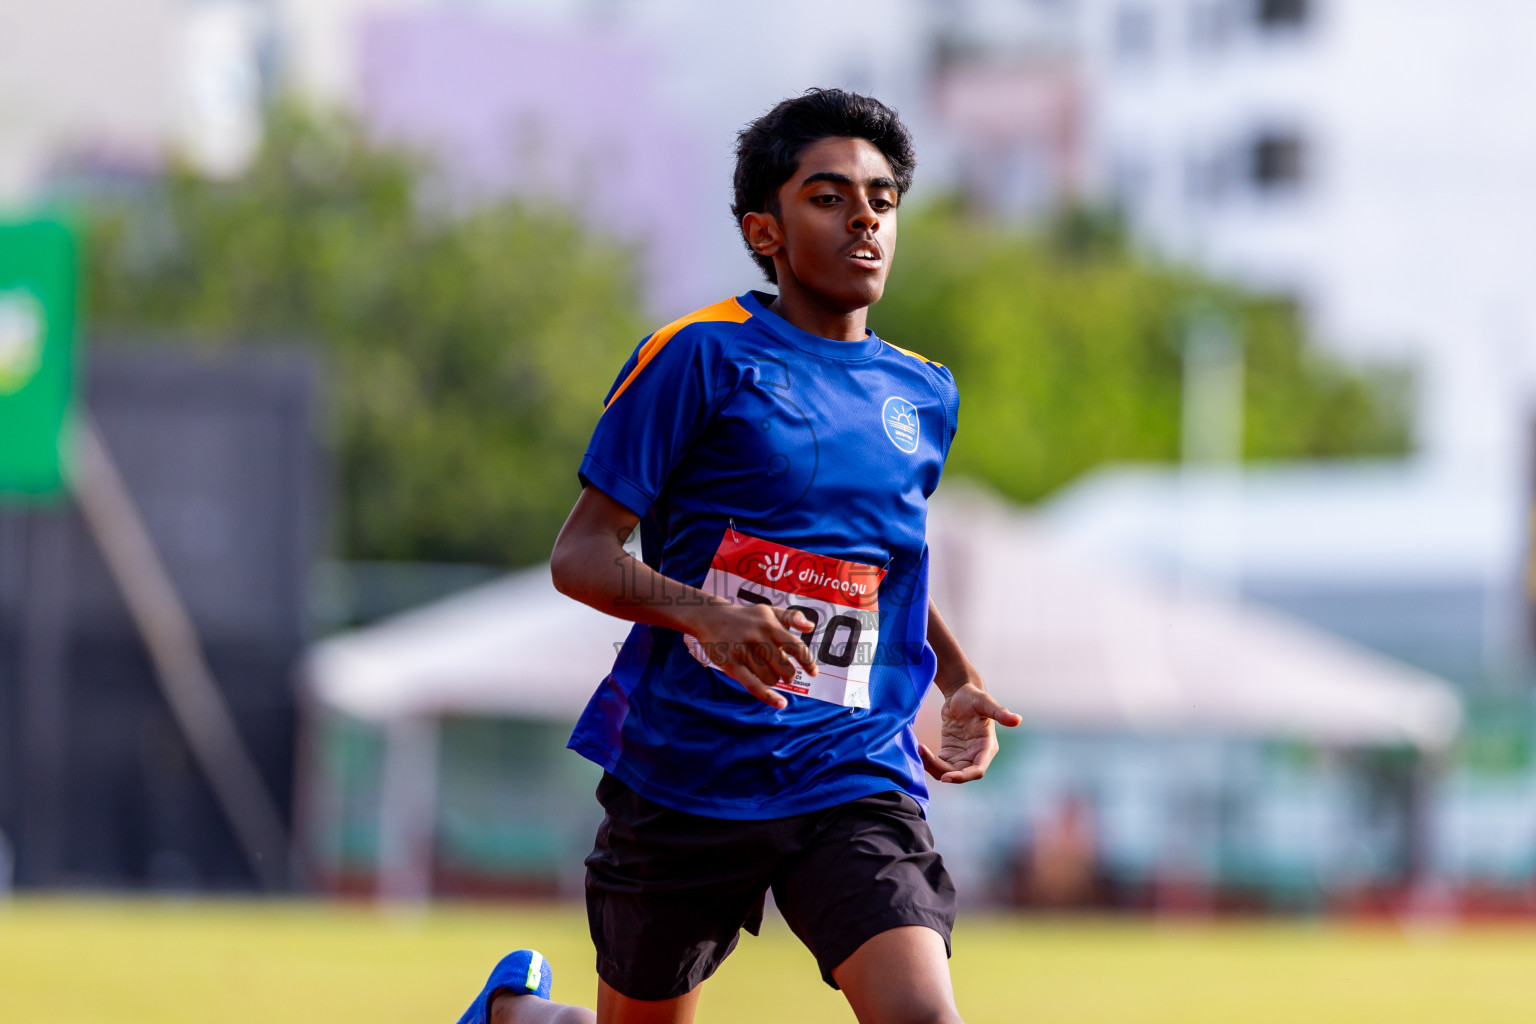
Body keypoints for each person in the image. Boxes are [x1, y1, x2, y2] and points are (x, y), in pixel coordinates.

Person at [458, 87, 1020, 1024]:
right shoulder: (698, 354)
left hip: (850, 766)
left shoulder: (922, 394)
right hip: (690, 769)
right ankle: (519, 1015)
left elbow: (883, 567)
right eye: (829, 197)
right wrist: (707, 613)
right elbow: (581, 556)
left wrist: (957, 678)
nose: (865, 221)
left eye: (882, 200)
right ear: (766, 229)